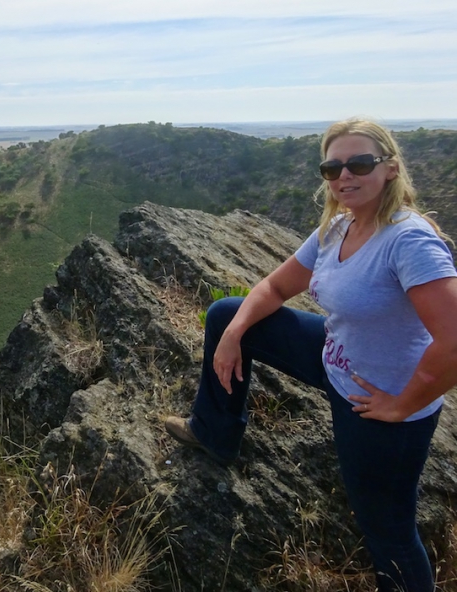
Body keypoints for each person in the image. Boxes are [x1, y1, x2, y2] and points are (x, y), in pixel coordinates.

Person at [164, 118, 457, 592]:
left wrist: (402, 405)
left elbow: (455, 339)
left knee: (387, 531)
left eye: (360, 163)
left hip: (375, 398)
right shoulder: (339, 227)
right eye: (333, 166)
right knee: (225, 313)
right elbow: (276, 286)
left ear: (390, 169)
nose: (345, 175)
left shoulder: (408, 240)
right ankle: (214, 433)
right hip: (335, 356)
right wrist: (234, 333)